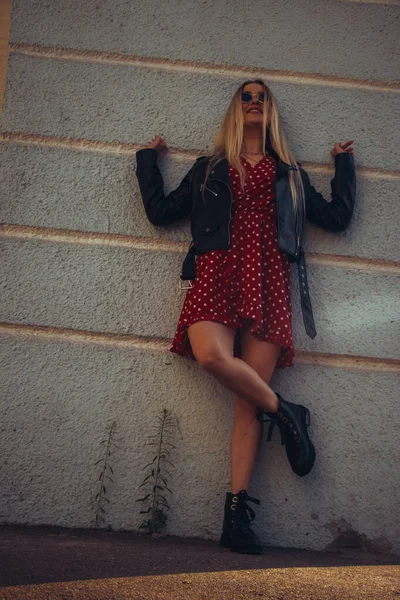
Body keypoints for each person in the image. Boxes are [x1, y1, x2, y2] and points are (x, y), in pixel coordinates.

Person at [135, 79, 356, 555]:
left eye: (262, 98)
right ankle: (288, 412)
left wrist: (343, 164)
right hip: (217, 271)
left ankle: (236, 521)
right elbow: (160, 212)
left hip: (270, 278)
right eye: (246, 97)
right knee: (212, 355)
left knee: (245, 406)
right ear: (236, 110)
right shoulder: (210, 169)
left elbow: (337, 218)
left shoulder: (290, 175)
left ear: (270, 112)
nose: (254, 102)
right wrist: (148, 160)